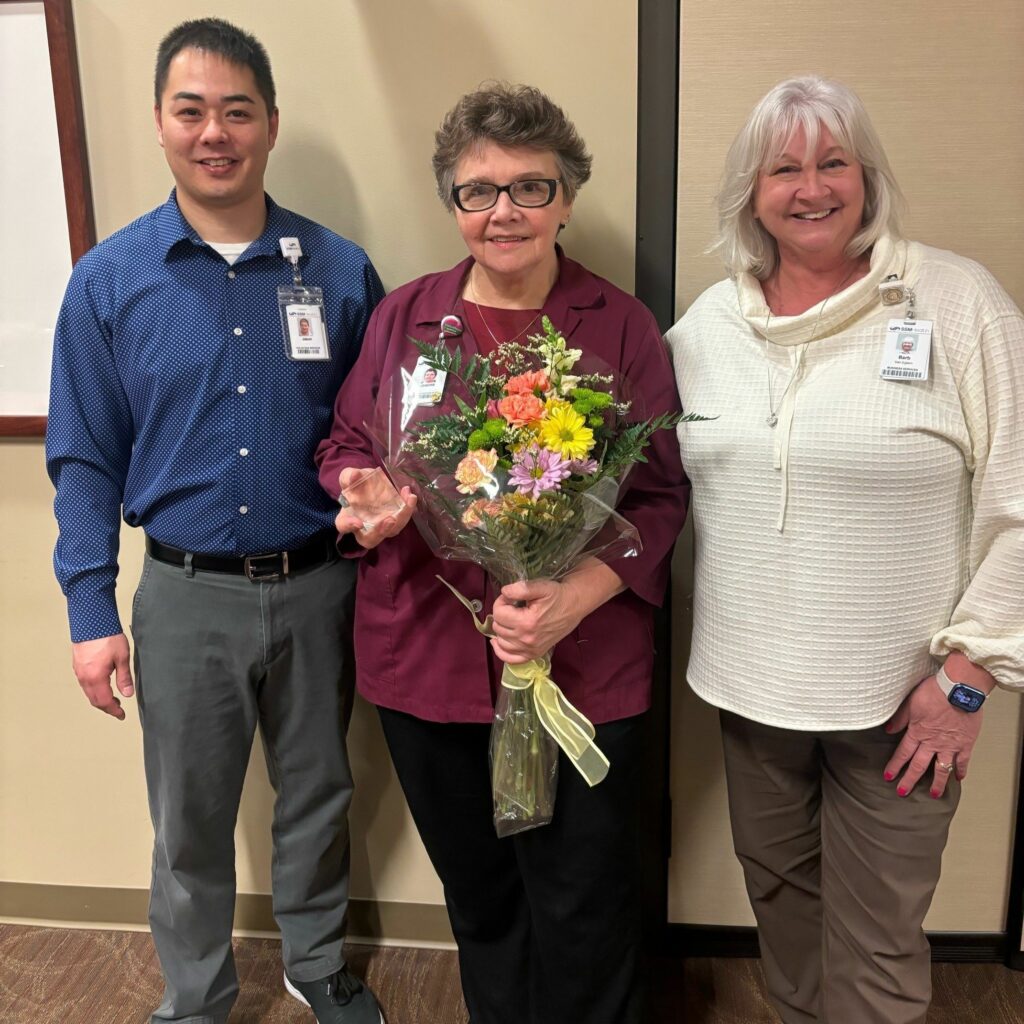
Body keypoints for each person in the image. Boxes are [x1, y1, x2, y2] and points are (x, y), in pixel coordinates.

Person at [316, 83, 689, 1024]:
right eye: (478, 191)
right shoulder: (406, 320)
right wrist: (372, 496)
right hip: (428, 664)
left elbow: (658, 494)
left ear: (568, 199)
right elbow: (349, 444)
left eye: (532, 187)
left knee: (585, 907)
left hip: (580, 669)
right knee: (480, 901)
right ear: (452, 204)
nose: (504, 212)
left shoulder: (618, 327)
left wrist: (574, 597)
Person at [45, 19, 385, 1024]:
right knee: (187, 816)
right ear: (159, 124)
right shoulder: (111, 282)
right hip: (183, 597)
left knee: (320, 796)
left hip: (322, 583)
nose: (215, 132)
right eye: (191, 110)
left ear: (270, 124)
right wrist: (88, 607)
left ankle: (315, 961)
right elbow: (83, 455)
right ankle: (193, 994)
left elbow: (371, 432)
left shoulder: (337, 270)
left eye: (237, 110)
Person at [667, 75, 1024, 1024]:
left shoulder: (957, 302)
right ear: (751, 192)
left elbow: (1019, 503)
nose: (810, 187)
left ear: (868, 177)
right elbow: (649, 478)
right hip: (752, 694)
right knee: (782, 919)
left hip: (905, 706)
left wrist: (966, 681)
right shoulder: (707, 327)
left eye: (833, 163)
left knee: (875, 947)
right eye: (783, 168)